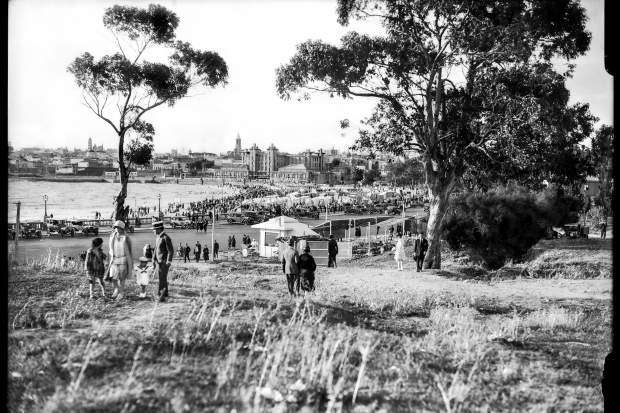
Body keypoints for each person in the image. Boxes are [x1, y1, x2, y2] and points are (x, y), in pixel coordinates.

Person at [107, 220, 133, 301]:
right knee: (113, 277)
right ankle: (116, 289)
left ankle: (121, 293)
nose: (117, 229)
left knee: (122, 277)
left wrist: (130, 262)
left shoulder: (126, 238)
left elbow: (130, 250)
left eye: (119, 228)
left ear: (122, 228)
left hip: (123, 259)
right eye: (116, 228)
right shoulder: (112, 236)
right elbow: (110, 249)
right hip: (113, 259)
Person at [151, 221, 174, 301]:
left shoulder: (166, 238)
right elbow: (155, 249)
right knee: (162, 278)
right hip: (159, 262)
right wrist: (153, 260)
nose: (153, 231)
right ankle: (165, 292)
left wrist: (169, 261)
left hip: (164, 262)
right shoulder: (158, 237)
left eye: (154, 229)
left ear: (159, 229)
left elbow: (170, 250)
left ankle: (161, 295)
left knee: (162, 278)